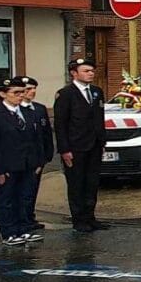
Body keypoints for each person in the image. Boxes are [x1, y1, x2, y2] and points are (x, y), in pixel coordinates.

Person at [0, 78, 45, 246]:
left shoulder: (29, 113)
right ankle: (9, 231)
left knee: (25, 197)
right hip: (8, 166)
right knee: (7, 199)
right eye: (15, 93)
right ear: (3, 94)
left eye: (22, 92)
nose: (20, 96)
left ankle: (24, 228)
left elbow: (36, 139)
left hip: (29, 164)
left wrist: (39, 162)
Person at [53, 58, 107, 233]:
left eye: (91, 70)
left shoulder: (97, 92)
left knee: (92, 183)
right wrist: (64, 149)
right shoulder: (65, 94)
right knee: (77, 184)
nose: (90, 73)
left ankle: (90, 217)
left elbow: (100, 120)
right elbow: (60, 124)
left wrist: (102, 142)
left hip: (94, 145)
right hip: (76, 146)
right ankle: (79, 220)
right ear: (74, 73)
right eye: (86, 70)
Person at [19, 77, 53, 231]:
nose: (31, 92)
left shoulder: (39, 108)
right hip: (22, 159)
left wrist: (47, 155)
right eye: (27, 89)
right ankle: (22, 220)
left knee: (32, 190)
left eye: (33, 89)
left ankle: (29, 218)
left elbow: (45, 134)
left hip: (38, 158)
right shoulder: (16, 110)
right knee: (21, 193)